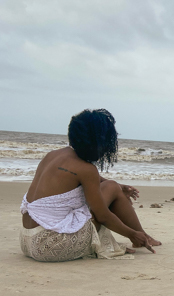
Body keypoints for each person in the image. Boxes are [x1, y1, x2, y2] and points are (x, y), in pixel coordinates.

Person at [20, 109, 161, 262]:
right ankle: (141, 237)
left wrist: (120, 186)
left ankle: (141, 236)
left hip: (28, 241)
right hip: (50, 245)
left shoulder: (54, 155)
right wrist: (131, 234)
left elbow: (86, 178)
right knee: (111, 187)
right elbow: (103, 216)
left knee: (113, 186)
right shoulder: (87, 170)